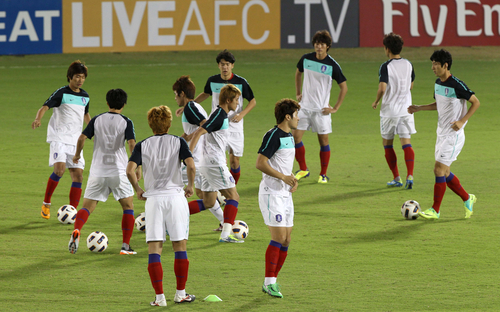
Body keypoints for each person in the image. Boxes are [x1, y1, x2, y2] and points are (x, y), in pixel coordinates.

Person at [126, 105, 196, 306]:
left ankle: (159, 298)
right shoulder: (178, 142)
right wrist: (190, 185)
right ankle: (180, 294)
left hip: (154, 200)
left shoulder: (142, 145)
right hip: (175, 197)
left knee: (154, 248)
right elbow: (191, 165)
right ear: (169, 123)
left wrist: (138, 189)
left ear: (150, 124)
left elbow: (130, 170)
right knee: (179, 246)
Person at [408, 49, 479, 219]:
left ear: (445, 65)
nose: (433, 67)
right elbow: (439, 105)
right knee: (445, 172)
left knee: (438, 169)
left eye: (436, 64)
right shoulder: (438, 83)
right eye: (432, 63)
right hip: (441, 134)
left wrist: (462, 121)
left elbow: (475, 102)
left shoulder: (456, 84)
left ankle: (435, 210)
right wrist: (420, 108)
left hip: (453, 135)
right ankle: (467, 198)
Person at [68, 89, 138, 255]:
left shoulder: (97, 119)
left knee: (86, 207)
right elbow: (132, 144)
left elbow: (81, 138)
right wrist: (137, 167)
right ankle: (125, 246)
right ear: (124, 104)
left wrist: (77, 155)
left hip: (97, 172)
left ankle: (77, 230)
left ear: (107, 103)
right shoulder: (126, 122)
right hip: (118, 172)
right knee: (128, 207)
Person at [32, 60, 91, 219]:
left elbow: (85, 114)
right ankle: (46, 203)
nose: (80, 80)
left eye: (82, 77)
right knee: (59, 170)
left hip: (75, 140)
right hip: (59, 137)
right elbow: (45, 107)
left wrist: (92, 128)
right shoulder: (61, 93)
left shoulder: (85, 96)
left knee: (78, 175)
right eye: (77, 76)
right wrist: (38, 119)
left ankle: (72, 211)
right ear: (70, 77)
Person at [188, 84, 244, 243]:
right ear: (228, 100)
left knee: (209, 201)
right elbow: (199, 131)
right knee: (234, 196)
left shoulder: (220, 114)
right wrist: (189, 155)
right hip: (214, 164)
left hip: (208, 163)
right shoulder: (219, 115)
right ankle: (226, 235)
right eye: (236, 100)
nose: (238, 103)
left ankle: (168, 219)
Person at [256, 98, 300, 298]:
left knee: (287, 240)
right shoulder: (273, 135)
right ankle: (269, 282)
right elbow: (260, 163)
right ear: (287, 116)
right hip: (271, 193)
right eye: (296, 115)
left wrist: (291, 179)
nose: (298, 118)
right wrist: (282, 177)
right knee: (279, 237)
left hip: (285, 193)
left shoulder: (289, 136)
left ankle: (272, 280)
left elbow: (284, 165)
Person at [192, 49, 256, 184]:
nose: (225, 67)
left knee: (234, 161)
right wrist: (191, 104)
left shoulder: (241, 82)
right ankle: (221, 187)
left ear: (232, 65)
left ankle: (232, 186)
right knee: (216, 156)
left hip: (235, 125)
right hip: (217, 124)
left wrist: (241, 114)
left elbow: (253, 101)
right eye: (222, 64)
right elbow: (205, 94)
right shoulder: (212, 80)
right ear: (218, 65)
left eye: (227, 64)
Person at [294, 30, 348, 184]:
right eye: (317, 44)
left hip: (321, 110)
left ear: (328, 46)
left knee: (323, 142)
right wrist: (298, 92)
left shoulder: (332, 65)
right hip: (304, 108)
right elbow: (298, 73)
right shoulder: (306, 59)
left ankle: (323, 174)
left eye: (322, 44)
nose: (319, 47)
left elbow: (344, 87)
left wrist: (335, 108)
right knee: (295, 137)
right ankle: (303, 169)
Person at [173, 76, 224, 229]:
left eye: (175, 94)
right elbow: (193, 131)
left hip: (193, 158)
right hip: (200, 157)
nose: (175, 98)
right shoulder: (194, 106)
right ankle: (225, 222)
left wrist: (193, 141)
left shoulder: (190, 108)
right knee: (204, 196)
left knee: (172, 190)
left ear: (182, 94)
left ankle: (167, 223)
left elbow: (204, 125)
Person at [371, 32, 416, 189]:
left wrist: (376, 101)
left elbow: (382, 88)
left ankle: (397, 178)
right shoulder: (408, 64)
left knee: (387, 144)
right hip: (406, 110)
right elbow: (410, 85)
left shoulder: (386, 66)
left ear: (387, 49)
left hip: (390, 111)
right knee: (406, 143)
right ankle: (410, 174)